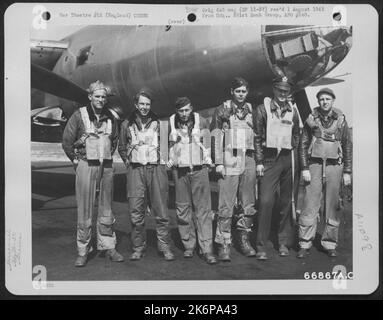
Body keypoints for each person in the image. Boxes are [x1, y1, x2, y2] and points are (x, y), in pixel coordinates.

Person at [62, 80, 124, 267]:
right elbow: (67, 140)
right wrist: (75, 159)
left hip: (106, 166)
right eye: (97, 96)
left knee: (106, 208)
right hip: (85, 164)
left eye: (103, 97)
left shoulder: (111, 118)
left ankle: (108, 245)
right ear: (90, 97)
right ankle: (83, 250)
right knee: (85, 209)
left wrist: (104, 155)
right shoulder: (78, 116)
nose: (100, 100)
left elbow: (113, 141)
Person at [118, 90, 175, 261]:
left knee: (162, 210)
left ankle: (164, 246)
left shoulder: (160, 123)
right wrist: (129, 162)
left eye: (147, 104)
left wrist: (164, 163)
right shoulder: (126, 124)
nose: (144, 107)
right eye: (141, 104)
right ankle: (138, 247)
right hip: (135, 170)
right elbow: (121, 147)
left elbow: (167, 146)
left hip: (156, 169)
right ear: (136, 105)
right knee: (136, 212)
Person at [297, 88, 352, 258]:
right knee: (309, 204)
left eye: (328, 99)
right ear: (318, 101)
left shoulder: (341, 120)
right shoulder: (311, 119)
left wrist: (347, 171)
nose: (324, 102)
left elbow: (347, 145)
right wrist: (305, 168)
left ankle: (329, 243)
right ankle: (304, 243)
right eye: (321, 99)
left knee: (333, 205)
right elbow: (303, 144)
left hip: (335, 167)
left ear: (333, 100)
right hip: (314, 166)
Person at [254, 76, 301, 260]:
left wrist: (292, 148)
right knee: (266, 202)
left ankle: (283, 242)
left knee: (286, 201)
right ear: (273, 90)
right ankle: (260, 245)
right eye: (280, 90)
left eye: (286, 91)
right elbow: (257, 137)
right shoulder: (261, 109)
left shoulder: (293, 110)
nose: (283, 94)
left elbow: (297, 133)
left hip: (288, 159)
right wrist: (259, 161)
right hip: (269, 159)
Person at [210, 77, 257, 261]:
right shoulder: (222, 110)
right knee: (226, 204)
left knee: (248, 203)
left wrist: (258, 161)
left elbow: (258, 137)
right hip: (229, 156)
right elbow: (214, 136)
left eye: (244, 91)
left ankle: (244, 240)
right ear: (232, 92)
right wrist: (218, 162)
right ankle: (223, 243)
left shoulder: (251, 110)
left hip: (248, 157)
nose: (241, 94)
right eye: (238, 91)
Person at [167, 97, 218, 265]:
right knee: (182, 209)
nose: (184, 114)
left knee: (203, 209)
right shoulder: (170, 123)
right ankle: (189, 244)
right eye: (181, 111)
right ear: (176, 111)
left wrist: (210, 162)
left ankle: (207, 248)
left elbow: (209, 143)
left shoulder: (202, 121)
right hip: (180, 172)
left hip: (199, 170)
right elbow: (163, 146)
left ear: (192, 109)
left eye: (187, 110)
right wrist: (169, 161)